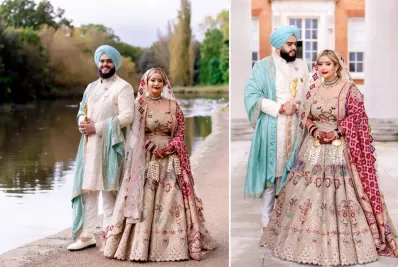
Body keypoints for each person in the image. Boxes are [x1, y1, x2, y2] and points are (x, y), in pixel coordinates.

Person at [262, 49, 398, 265]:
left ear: (337, 66)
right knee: (305, 193)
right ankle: (303, 242)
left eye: (328, 63)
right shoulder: (313, 89)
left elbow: (358, 119)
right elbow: (304, 115)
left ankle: (344, 243)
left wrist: (337, 131)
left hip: (340, 147)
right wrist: (315, 130)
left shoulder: (349, 90)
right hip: (314, 146)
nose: (323, 67)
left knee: (342, 193)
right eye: (320, 64)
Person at [98, 68, 216, 261]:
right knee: (144, 198)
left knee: (173, 199)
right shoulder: (139, 105)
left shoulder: (172, 105)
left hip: (170, 159)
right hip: (145, 157)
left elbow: (180, 132)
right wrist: (152, 147)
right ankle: (140, 246)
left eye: (160, 81)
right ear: (146, 82)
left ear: (164, 83)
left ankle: (175, 245)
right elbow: (135, 131)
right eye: (152, 80)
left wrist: (170, 148)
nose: (156, 84)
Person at [243, 25, 310, 233]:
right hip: (273, 128)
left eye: (295, 44)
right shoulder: (263, 67)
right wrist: (280, 108)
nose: (293, 48)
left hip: (298, 130)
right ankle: (267, 222)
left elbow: (309, 94)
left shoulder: (302, 66)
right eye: (289, 44)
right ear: (278, 44)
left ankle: (290, 221)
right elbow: (251, 96)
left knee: (294, 176)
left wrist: (301, 107)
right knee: (272, 175)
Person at [68, 45, 134, 251]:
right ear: (98, 63)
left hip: (110, 145)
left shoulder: (123, 87)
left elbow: (127, 116)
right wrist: (81, 121)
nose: (105, 64)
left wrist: (96, 127)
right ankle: (87, 236)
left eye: (109, 61)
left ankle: (110, 237)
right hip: (88, 145)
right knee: (88, 190)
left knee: (108, 191)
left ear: (115, 63)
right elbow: (81, 109)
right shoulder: (91, 87)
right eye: (102, 61)